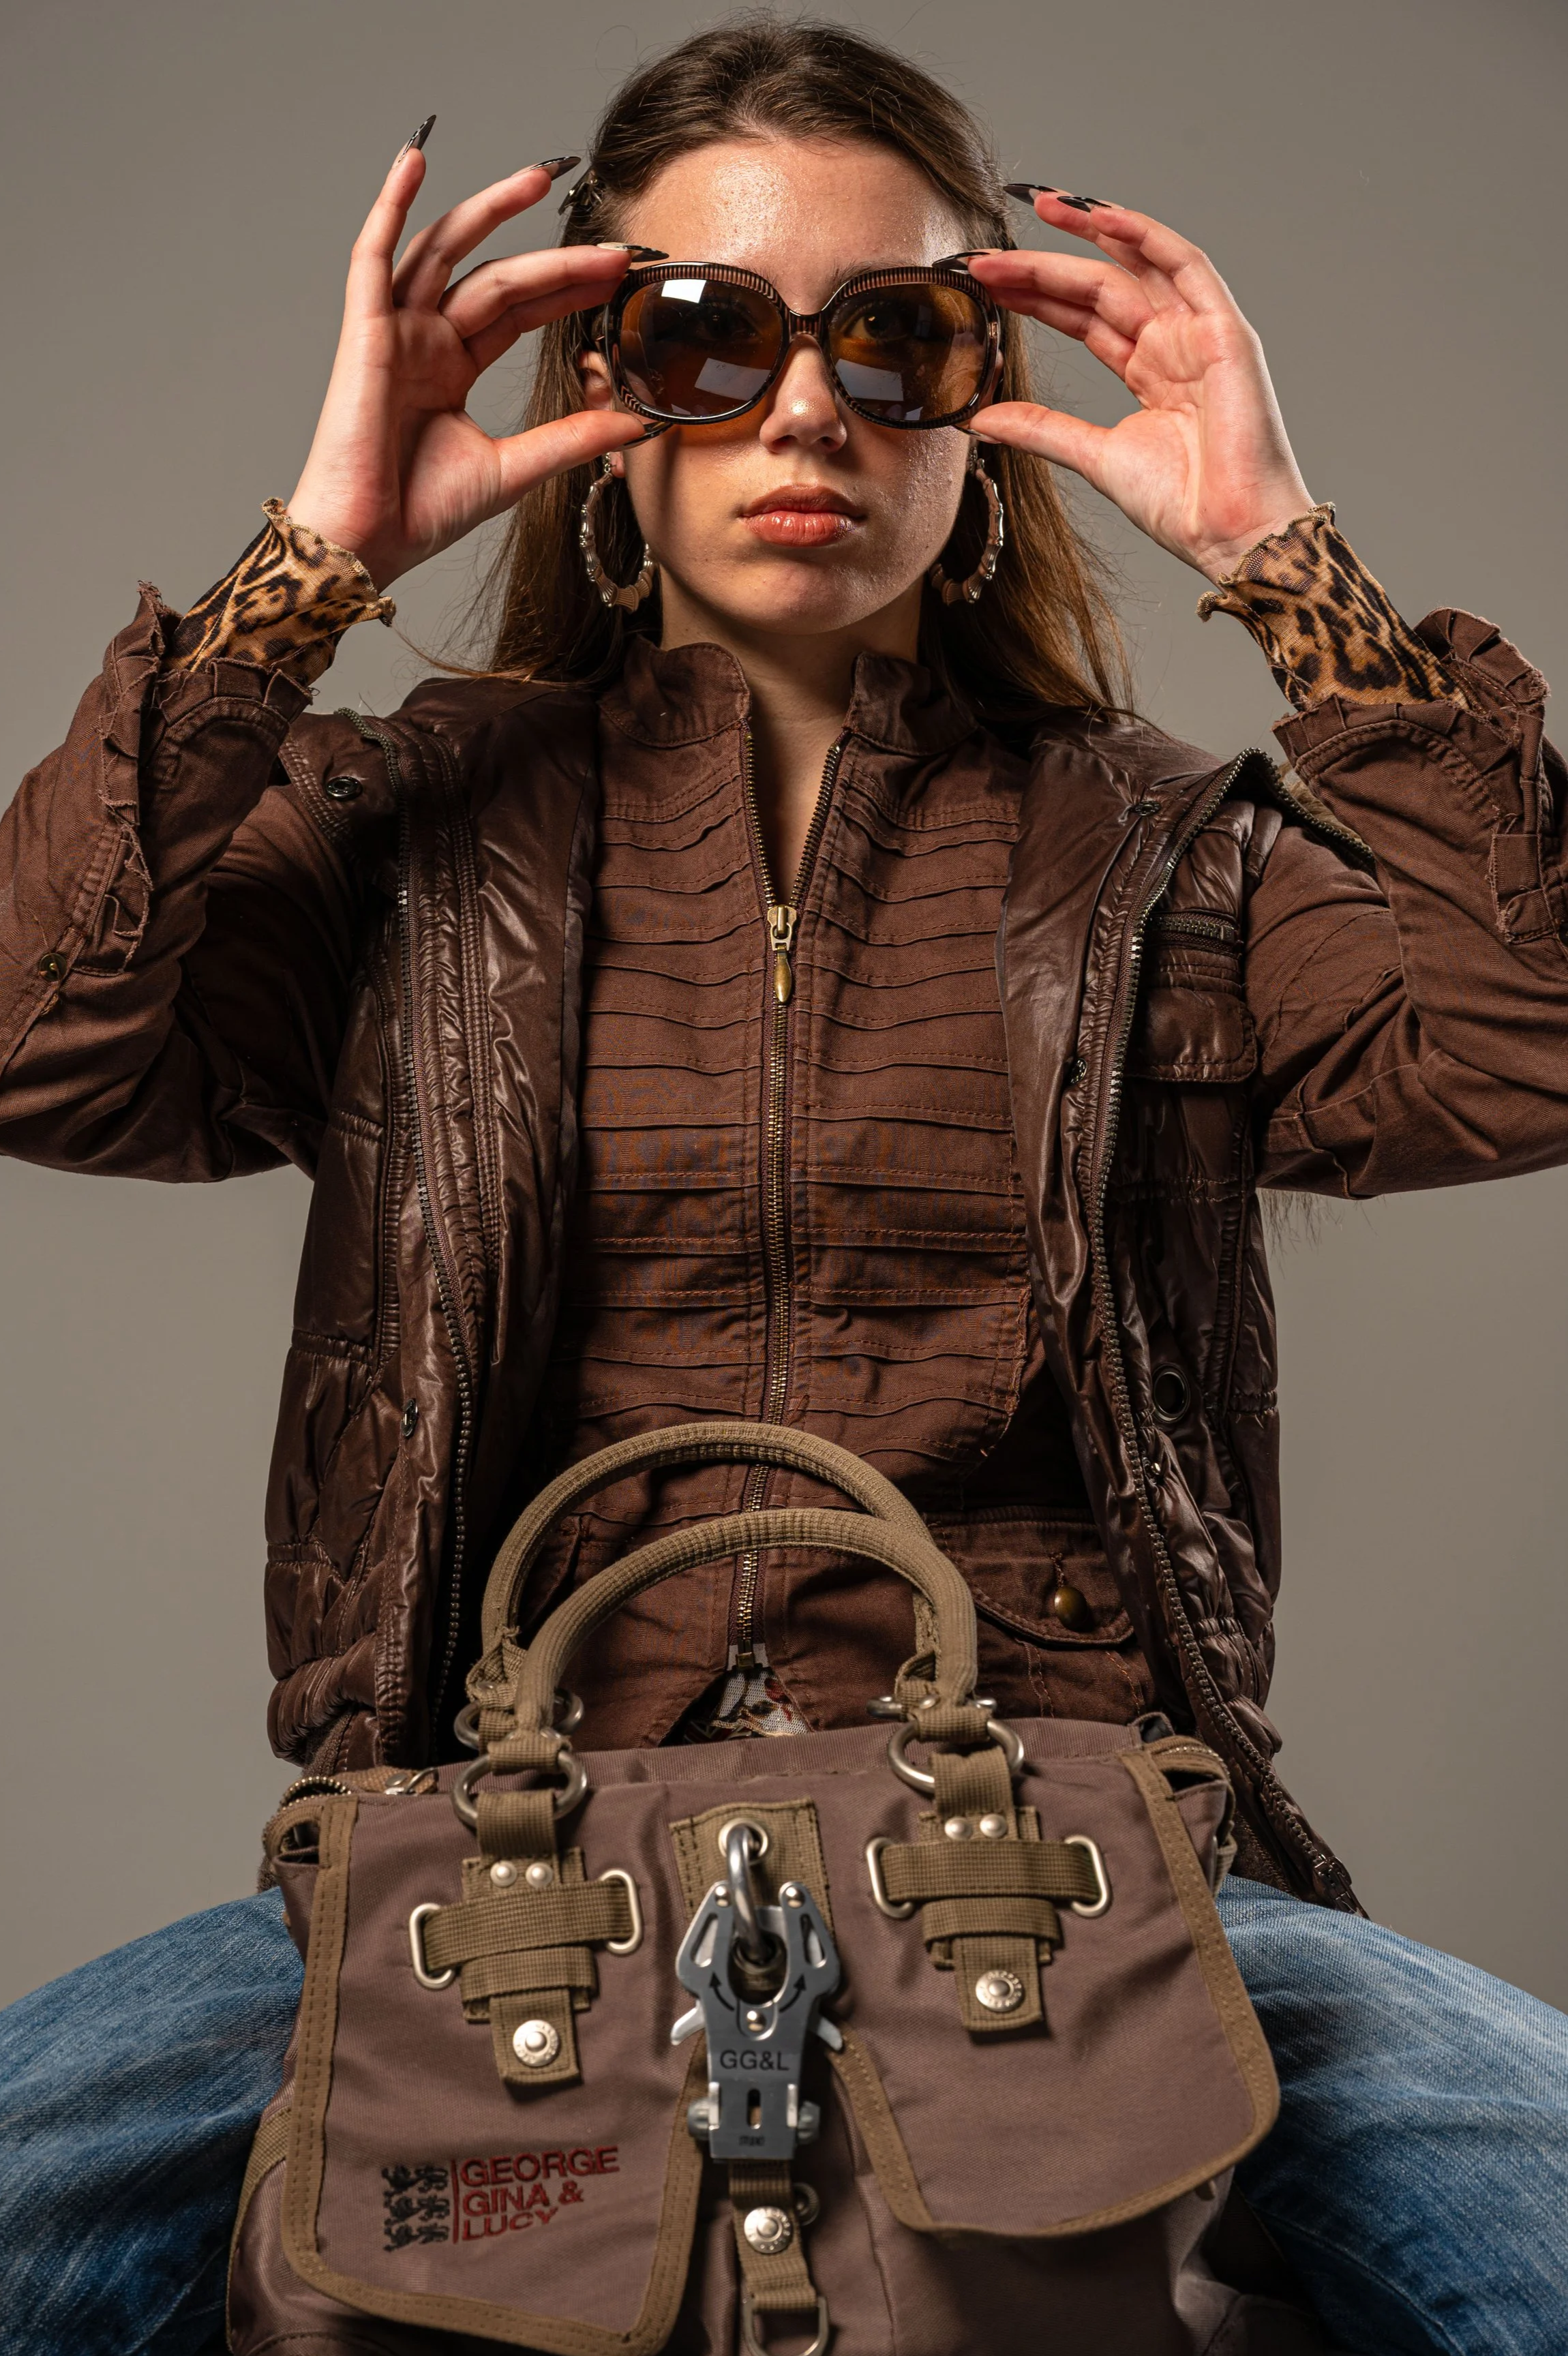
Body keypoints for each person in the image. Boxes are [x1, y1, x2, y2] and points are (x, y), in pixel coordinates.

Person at [0, 20, 1565, 2356]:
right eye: (705, 339)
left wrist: (1283, 564)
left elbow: (1524, 1044)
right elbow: (42, 1044)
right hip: (473, 1869)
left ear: (985, 408)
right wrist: (306, 566)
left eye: (896, 337)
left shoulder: (1175, 859)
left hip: (1080, 1854)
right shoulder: (396, 822)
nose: (804, 411)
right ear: (603, 409)